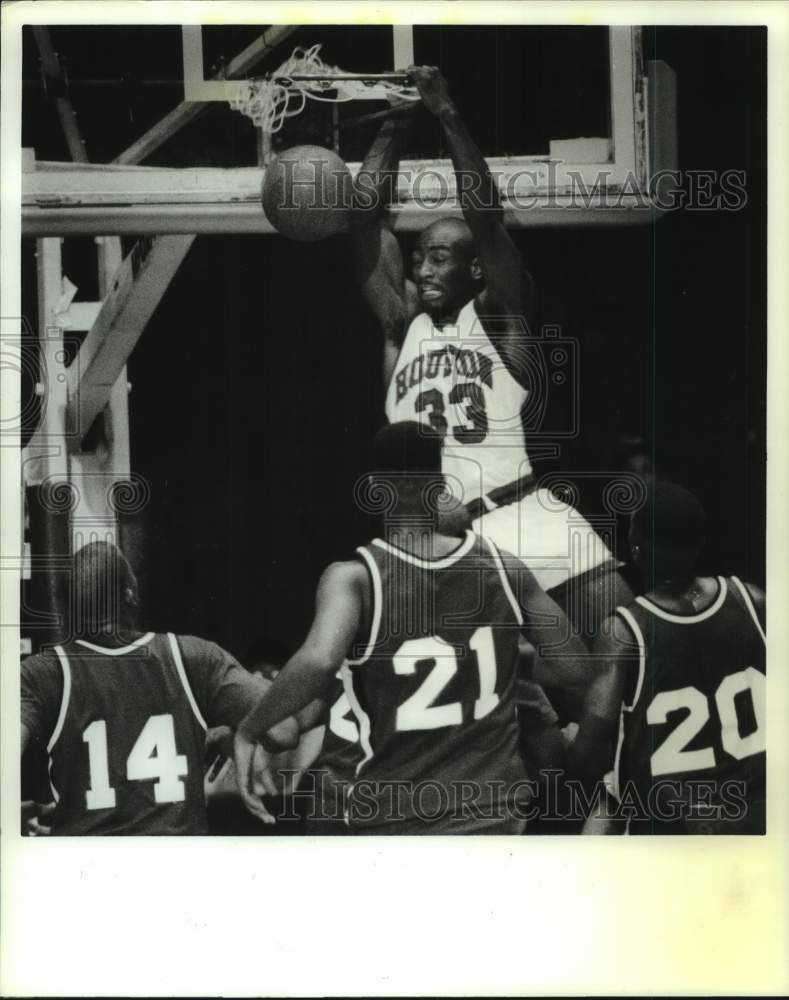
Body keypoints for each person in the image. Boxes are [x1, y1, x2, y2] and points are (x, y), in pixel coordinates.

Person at [349, 66, 634, 645]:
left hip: (523, 511)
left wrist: (446, 114)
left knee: (625, 646)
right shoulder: (402, 326)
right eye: (419, 256)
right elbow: (363, 218)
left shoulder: (500, 315)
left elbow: (485, 218)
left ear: (474, 268)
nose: (422, 269)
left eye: (439, 258)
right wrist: (399, 118)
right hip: (442, 539)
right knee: (507, 696)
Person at [234, 422, 590, 835]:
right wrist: (503, 663)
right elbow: (576, 667)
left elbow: (319, 659)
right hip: (494, 814)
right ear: (440, 485)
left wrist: (248, 728)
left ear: (374, 488)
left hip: (402, 818)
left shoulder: (356, 579)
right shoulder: (504, 566)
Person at [21, 540, 298, 836]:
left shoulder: (41, 674)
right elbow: (284, 729)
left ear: (64, 607)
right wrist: (234, 732)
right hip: (174, 866)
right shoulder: (195, 657)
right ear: (132, 593)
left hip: (89, 868)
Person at [569, 482, 766, 834]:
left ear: (636, 548)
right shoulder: (752, 600)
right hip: (758, 813)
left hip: (676, 828)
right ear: (700, 541)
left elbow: (591, 751)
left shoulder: (625, 631)